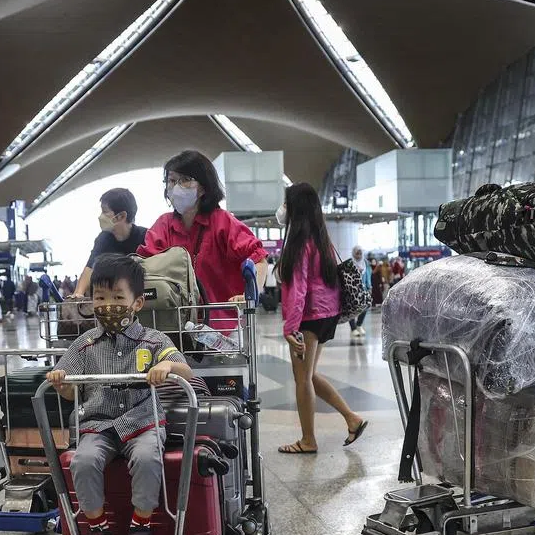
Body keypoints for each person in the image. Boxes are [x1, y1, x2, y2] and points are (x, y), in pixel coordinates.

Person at [46, 255, 194, 535]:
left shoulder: (153, 340)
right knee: (82, 462)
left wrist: (166, 366)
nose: (107, 305)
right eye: (100, 298)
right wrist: (60, 384)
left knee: (147, 458)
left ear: (137, 302)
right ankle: (99, 531)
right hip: (98, 424)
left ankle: (141, 529)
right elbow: (72, 390)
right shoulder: (83, 345)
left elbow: (184, 368)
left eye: (117, 298)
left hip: (143, 421)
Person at [275, 183, 368, 455]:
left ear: (296, 208)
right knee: (310, 375)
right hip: (326, 315)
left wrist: (290, 328)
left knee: (301, 379)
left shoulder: (300, 243)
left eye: (286, 203)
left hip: (309, 317)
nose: (283, 209)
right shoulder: (321, 239)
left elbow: (299, 289)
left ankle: (308, 440)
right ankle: (352, 418)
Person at [138, 150, 267, 332]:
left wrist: (250, 294)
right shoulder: (163, 225)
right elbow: (144, 266)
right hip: (171, 328)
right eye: (172, 180)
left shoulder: (223, 222)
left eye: (185, 180)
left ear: (203, 187)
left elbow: (258, 259)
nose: (176, 187)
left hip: (221, 328)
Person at [73, 188, 148, 298]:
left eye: (104, 211)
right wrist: (78, 293)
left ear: (121, 216)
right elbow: (90, 268)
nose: (100, 216)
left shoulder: (145, 237)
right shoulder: (103, 239)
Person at [348, 246, 372, 342]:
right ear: (353, 253)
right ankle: (353, 328)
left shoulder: (365, 263)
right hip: (352, 289)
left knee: (365, 307)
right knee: (352, 309)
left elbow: (368, 275)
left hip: (364, 289)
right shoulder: (350, 263)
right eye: (357, 253)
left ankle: (359, 325)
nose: (358, 256)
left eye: (360, 253)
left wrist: (370, 286)